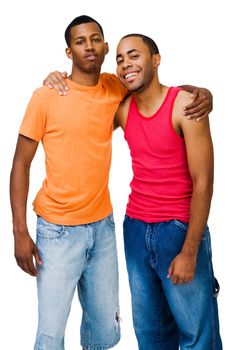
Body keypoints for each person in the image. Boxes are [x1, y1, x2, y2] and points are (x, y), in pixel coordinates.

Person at [10, 15, 213, 350]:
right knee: (50, 334)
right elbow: (20, 163)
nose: (89, 46)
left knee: (106, 332)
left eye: (96, 39)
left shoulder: (115, 89)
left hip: (103, 229)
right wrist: (19, 231)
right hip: (57, 231)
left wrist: (203, 92)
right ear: (68, 51)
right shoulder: (46, 96)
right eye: (80, 41)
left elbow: (156, 90)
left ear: (104, 46)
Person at [114, 34, 222, 349]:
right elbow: (84, 106)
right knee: (151, 335)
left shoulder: (185, 105)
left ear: (156, 59)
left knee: (197, 336)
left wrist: (189, 252)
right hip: (135, 229)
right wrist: (57, 80)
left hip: (179, 229)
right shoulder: (121, 109)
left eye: (134, 55)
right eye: (120, 59)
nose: (126, 65)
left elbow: (204, 181)